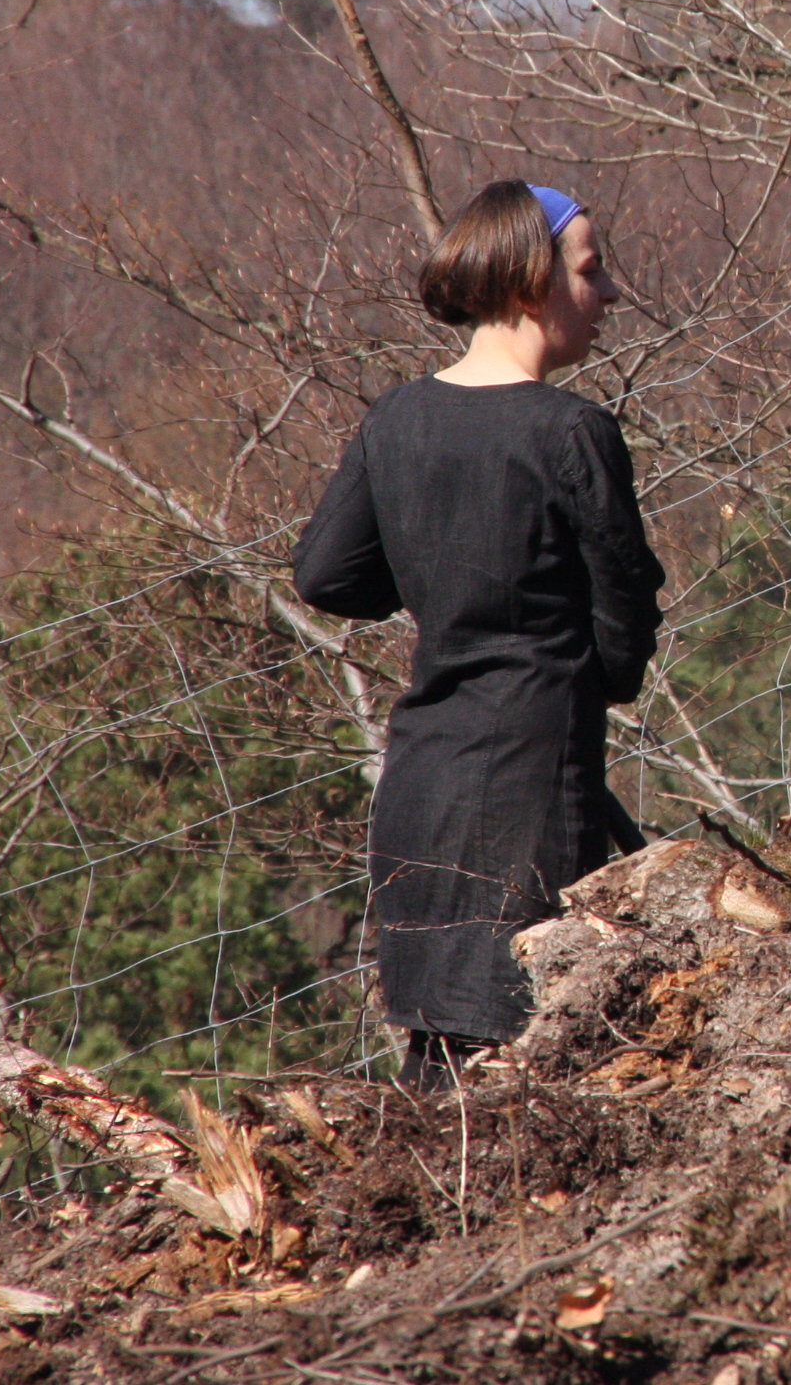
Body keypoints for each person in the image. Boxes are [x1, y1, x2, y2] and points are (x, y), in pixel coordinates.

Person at [293, 182, 664, 1089]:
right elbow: (622, 631)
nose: (609, 292)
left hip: (420, 784)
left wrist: (437, 583)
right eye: (591, 270)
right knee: (531, 1058)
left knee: (438, 1057)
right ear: (532, 283)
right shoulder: (573, 433)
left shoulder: (398, 420)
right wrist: (597, 668)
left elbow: (325, 575)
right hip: (532, 788)